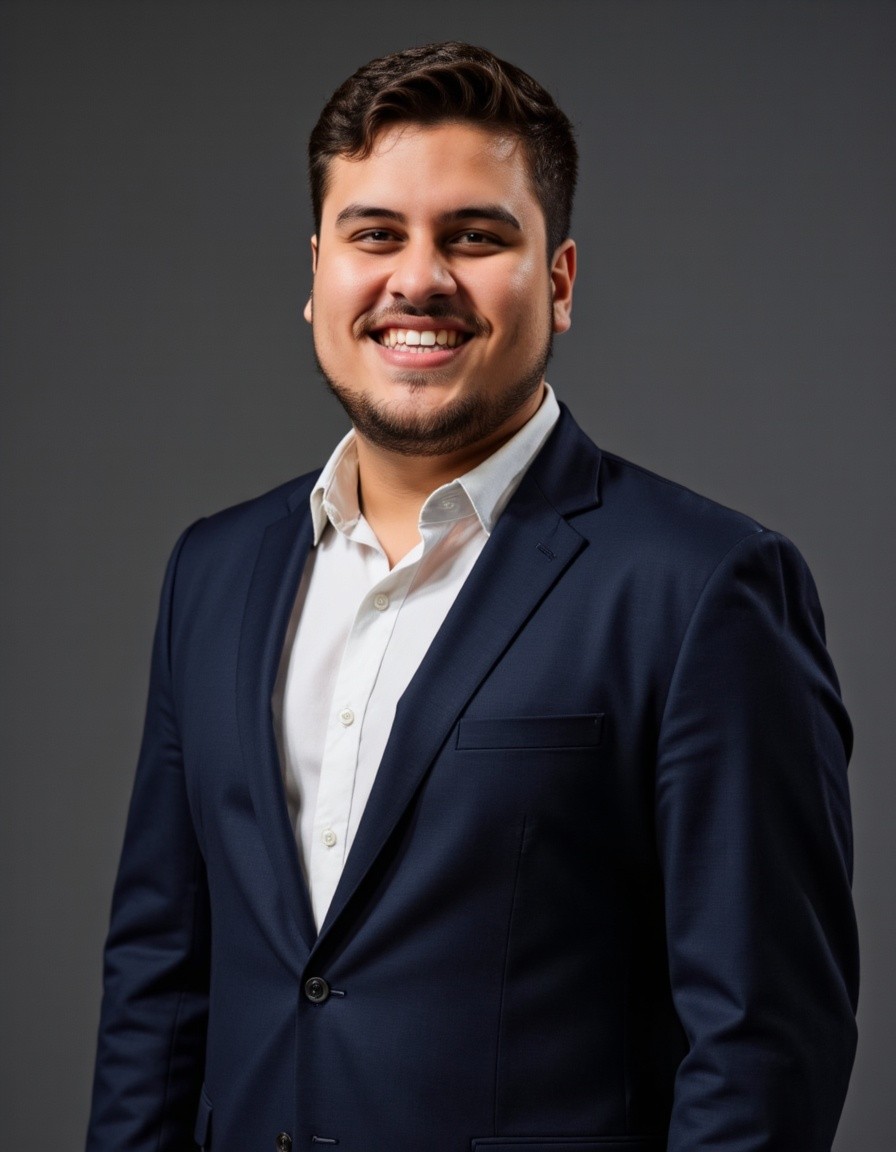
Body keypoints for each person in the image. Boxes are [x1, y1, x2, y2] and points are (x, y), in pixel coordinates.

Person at [86, 41, 858, 1152]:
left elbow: (763, 1039)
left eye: (474, 236)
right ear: (315, 277)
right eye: (373, 235)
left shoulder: (704, 589)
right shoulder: (212, 571)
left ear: (558, 280)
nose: (418, 278)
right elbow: (157, 988)